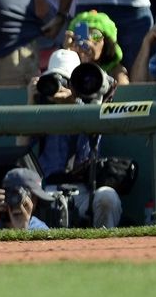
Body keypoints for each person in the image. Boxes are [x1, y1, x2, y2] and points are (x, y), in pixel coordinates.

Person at [23, 48, 124, 228]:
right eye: (54, 79)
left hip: (84, 189)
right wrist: (32, 101)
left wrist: (73, 103)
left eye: (65, 81)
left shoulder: (92, 104)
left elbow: (95, 130)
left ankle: (104, 248)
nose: (59, 86)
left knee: (108, 197)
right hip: (47, 189)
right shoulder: (42, 109)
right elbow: (21, 147)